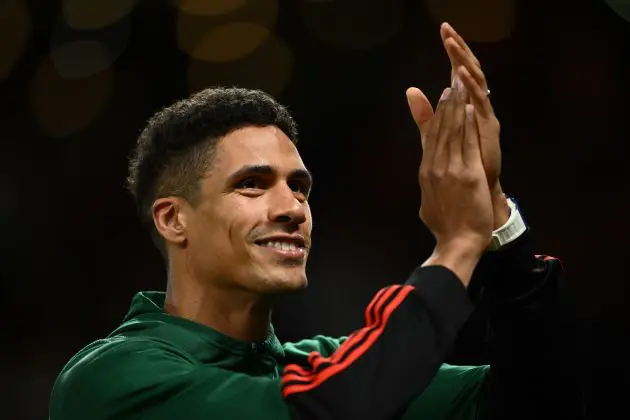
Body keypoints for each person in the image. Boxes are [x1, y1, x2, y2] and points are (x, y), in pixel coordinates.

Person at [49, 23, 579, 420]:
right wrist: (457, 244)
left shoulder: (326, 364)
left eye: (299, 186)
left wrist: (496, 225)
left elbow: (533, 400)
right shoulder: (113, 381)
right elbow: (335, 408)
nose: (291, 207)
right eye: (252, 184)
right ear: (173, 219)